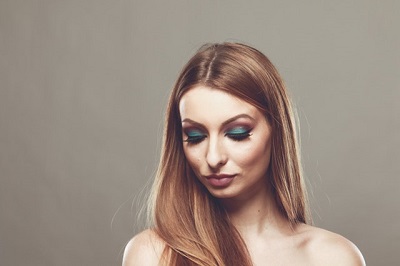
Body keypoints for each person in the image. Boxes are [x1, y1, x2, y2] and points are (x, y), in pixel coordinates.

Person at [122, 42, 365, 265]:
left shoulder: (333, 257)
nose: (213, 158)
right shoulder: (153, 254)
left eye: (237, 133)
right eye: (196, 137)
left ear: (276, 131)